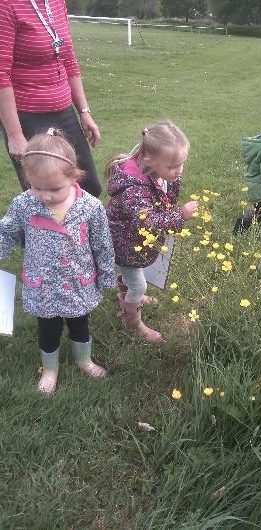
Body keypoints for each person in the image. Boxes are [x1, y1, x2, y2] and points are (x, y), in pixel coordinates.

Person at [0, 129, 115, 394]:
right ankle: (50, 369)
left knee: (79, 324)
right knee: (48, 329)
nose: (46, 195)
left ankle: (83, 360)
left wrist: (106, 274)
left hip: (79, 282)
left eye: (54, 189)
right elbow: (7, 232)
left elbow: (102, 244)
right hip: (43, 285)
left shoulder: (90, 207)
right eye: (36, 187)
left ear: (74, 176)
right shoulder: (24, 205)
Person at [106, 121, 198, 343]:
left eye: (182, 164)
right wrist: (180, 215)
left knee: (132, 275)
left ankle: (126, 294)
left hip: (134, 239)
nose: (179, 171)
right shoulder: (133, 188)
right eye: (173, 166)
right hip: (125, 241)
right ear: (149, 160)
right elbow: (148, 222)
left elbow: (165, 198)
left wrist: (172, 179)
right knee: (139, 283)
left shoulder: (157, 171)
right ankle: (133, 322)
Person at [0, 0, 102, 197]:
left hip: (64, 112)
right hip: (27, 115)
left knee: (89, 187)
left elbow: (69, 59)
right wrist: (15, 135)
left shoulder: (56, 2)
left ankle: (81, 228)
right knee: (46, 194)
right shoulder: (7, 5)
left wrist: (84, 112)